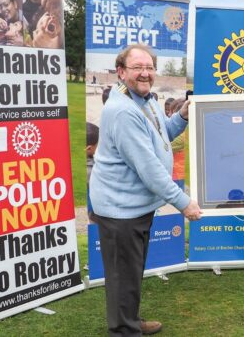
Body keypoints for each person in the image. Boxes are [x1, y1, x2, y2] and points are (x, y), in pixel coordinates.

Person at [89, 43, 202, 336]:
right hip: (120, 212)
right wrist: (184, 202)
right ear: (121, 71)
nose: (145, 73)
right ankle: (124, 330)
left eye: (149, 67)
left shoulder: (145, 100)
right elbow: (149, 168)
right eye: (138, 67)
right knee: (123, 277)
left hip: (134, 207)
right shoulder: (123, 111)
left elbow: (161, 134)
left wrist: (183, 117)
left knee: (130, 273)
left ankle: (131, 320)